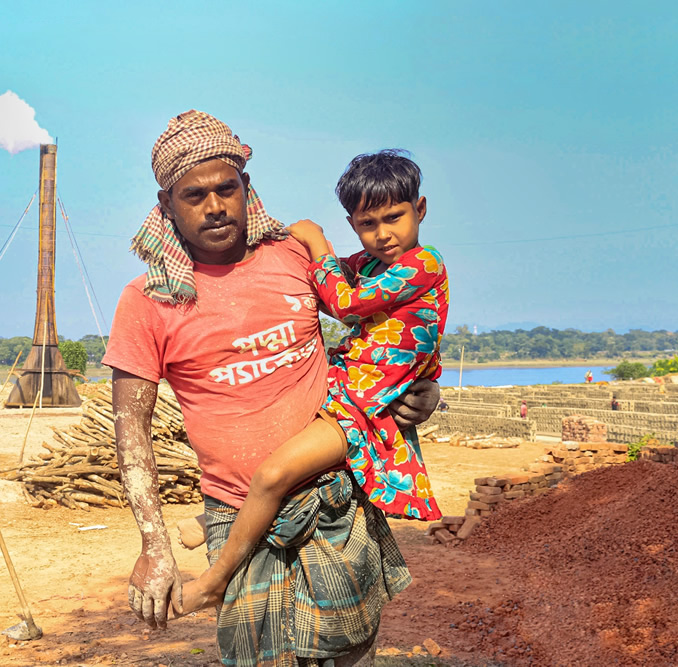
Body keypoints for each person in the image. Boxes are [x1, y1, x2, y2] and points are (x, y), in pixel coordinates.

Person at [104, 110, 439, 666]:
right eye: (193, 195)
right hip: (239, 519)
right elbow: (130, 429)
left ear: (246, 188)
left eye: (225, 189)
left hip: (337, 502)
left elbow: (390, 333)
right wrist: (154, 543)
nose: (214, 206)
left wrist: (425, 394)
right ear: (166, 206)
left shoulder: (295, 258)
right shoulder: (148, 301)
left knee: (352, 651)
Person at [179, 150, 448, 615]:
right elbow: (318, 285)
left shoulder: (423, 264)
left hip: (363, 405)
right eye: (368, 224)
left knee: (272, 474)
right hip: (343, 386)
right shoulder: (371, 263)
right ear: (353, 223)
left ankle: (215, 580)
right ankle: (215, 515)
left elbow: (343, 301)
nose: (383, 234)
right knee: (279, 441)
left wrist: (316, 241)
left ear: (419, 210)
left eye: (394, 217)